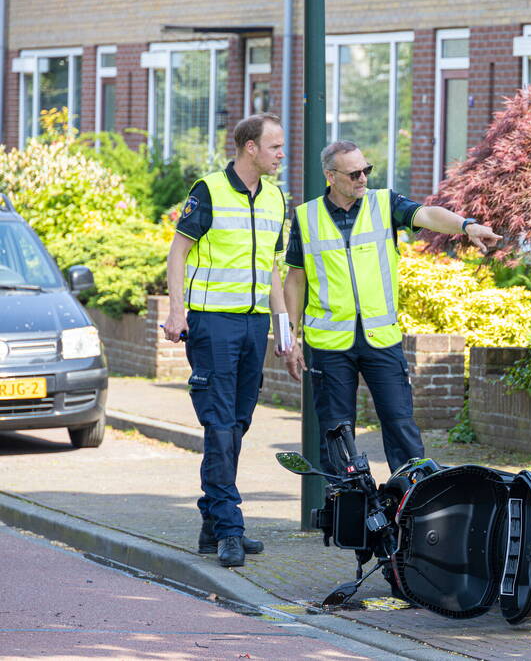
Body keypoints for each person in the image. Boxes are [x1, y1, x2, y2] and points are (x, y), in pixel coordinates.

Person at [283, 140, 501, 473]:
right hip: (328, 344)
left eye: (366, 170)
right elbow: (295, 280)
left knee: (401, 427)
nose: (362, 178)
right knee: (336, 434)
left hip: (381, 339)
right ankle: (345, 516)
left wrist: (466, 225)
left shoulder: (384, 204)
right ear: (330, 176)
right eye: (354, 173)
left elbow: (427, 214)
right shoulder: (306, 216)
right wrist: (290, 337)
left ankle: (412, 508)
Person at [163, 113, 289, 568]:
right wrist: (177, 311)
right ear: (250, 148)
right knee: (219, 427)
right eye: (274, 146)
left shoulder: (276, 199)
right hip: (213, 324)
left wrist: (285, 331)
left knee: (237, 425)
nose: (281, 154)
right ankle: (230, 530)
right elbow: (178, 252)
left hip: (254, 326)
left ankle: (210, 525)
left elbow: (272, 268)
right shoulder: (209, 190)